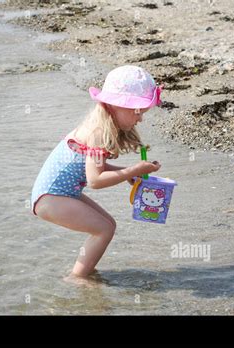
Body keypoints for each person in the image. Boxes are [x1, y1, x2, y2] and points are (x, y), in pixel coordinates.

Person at [31, 65, 162, 279]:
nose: (140, 119)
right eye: (138, 111)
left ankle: (83, 273)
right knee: (103, 229)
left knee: (108, 225)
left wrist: (129, 173)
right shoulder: (98, 134)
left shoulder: (98, 127)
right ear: (116, 106)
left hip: (58, 195)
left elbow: (95, 168)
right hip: (51, 198)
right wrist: (134, 169)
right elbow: (96, 180)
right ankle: (78, 279)